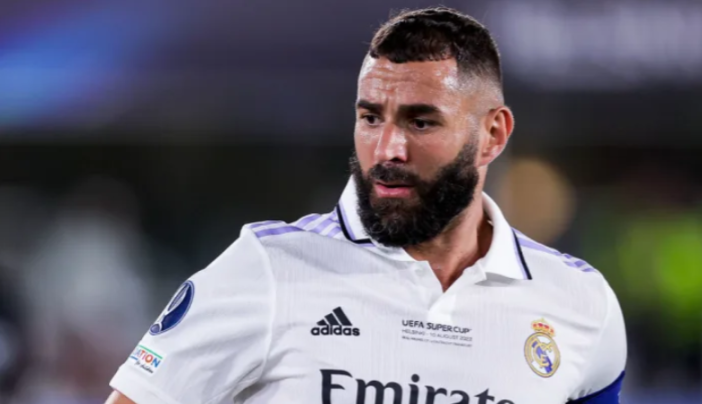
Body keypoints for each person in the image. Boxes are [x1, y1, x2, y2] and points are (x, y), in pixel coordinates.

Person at [105, 7, 626, 404]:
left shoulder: (581, 303)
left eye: (421, 122)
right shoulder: (268, 269)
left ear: (493, 135)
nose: (388, 149)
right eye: (371, 117)